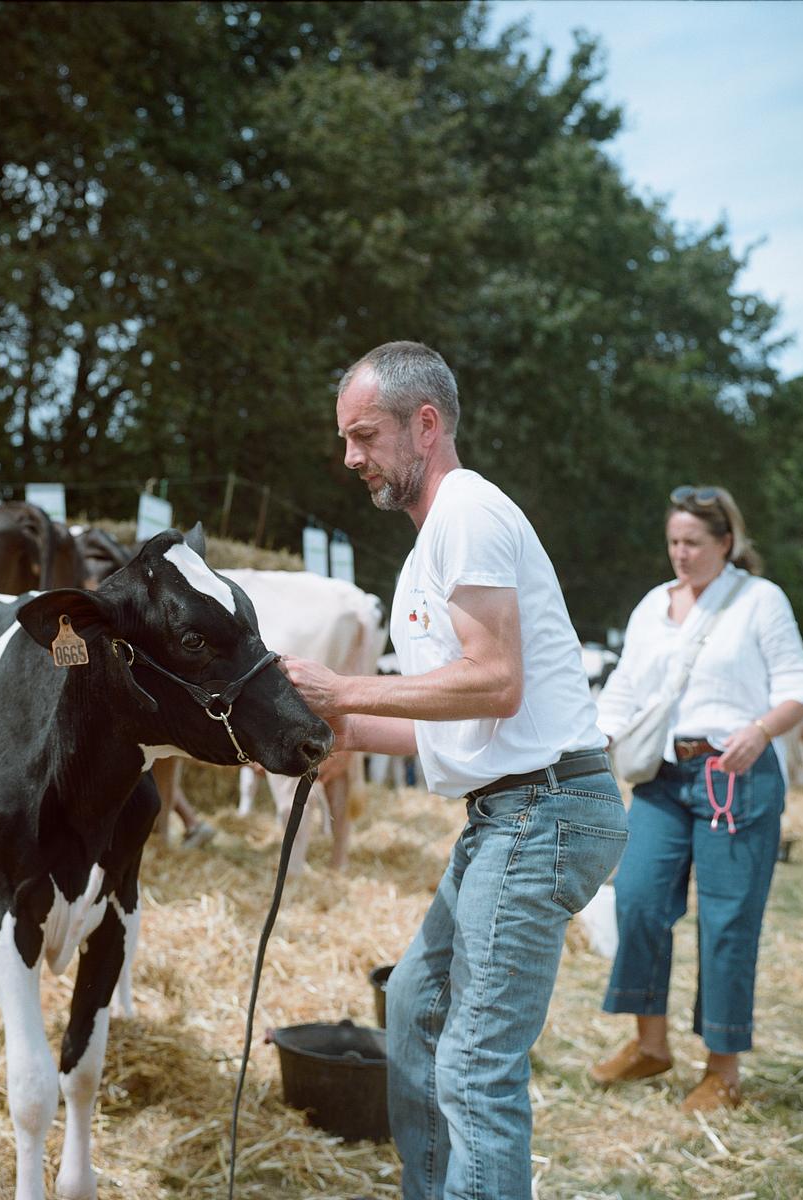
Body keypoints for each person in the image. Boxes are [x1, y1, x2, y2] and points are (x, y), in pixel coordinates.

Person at [282, 341, 625, 1200]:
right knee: (415, 1007)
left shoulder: (467, 513)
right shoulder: (435, 540)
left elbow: (496, 681)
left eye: (365, 436)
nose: (349, 457)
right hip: (512, 809)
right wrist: (335, 728)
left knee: (475, 1063)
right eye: (346, 438)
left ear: (425, 425)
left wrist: (345, 687)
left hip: (543, 810)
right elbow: (461, 722)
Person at [590, 485, 803, 1112]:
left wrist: (761, 730)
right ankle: (650, 1045)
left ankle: (723, 1069)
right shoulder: (651, 606)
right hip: (663, 778)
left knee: (727, 922)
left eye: (693, 542)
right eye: (673, 541)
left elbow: (800, 688)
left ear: (726, 541)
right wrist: (596, 739)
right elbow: (625, 688)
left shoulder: (759, 600)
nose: (681, 554)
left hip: (735, 779)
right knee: (637, 899)